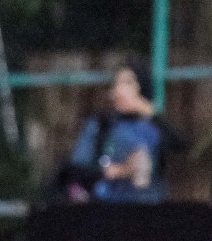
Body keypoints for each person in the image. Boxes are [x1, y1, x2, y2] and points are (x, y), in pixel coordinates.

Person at [61, 60, 186, 204]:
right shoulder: (102, 124)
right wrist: (121, 170)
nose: (120, 90)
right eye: (117, 84)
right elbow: (77, 167)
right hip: (108, 206)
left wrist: (151, 113)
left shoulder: (154, 127)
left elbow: (181, 145)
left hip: (148, 206)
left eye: (127, 84)